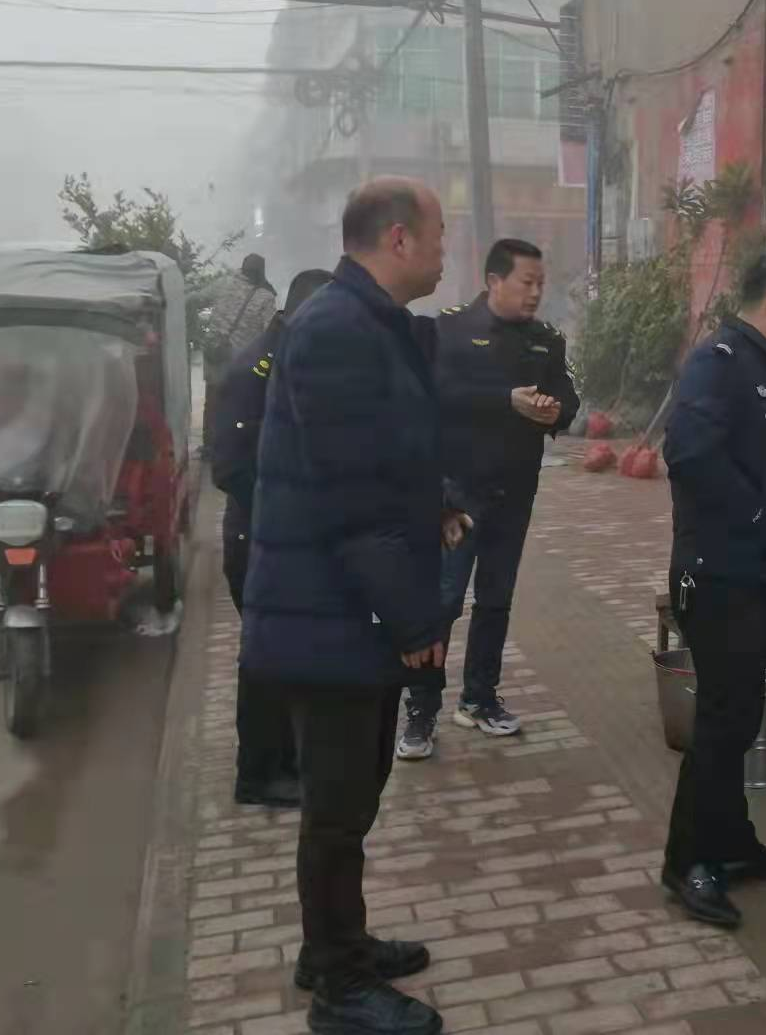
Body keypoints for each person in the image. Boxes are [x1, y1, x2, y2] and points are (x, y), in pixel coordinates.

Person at [240, 180, 466, 1035]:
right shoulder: (336, 329)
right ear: (398, 239)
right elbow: (352, 500)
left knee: (353, 796)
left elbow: (388, 457)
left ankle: (336, 943)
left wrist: (437, 500)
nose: (445, 250)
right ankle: (338, 987)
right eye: (439, 234)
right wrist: (411, 621)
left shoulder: (372, 323)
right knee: (336, 807)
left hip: (346, 608)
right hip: (329, 612)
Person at [662, 246, 766, 928]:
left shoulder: (762, 369)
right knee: (721, 721)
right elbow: (689, 457)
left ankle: (731, 842)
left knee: (736, 720)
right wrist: (760, 516)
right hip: (719, 577)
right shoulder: (718, 363)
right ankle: (687, 862)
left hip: (753, 574)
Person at [396, 238, 579, 759]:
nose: (536, 293)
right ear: (494, 280)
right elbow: (434, 395)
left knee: (496, 600)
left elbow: (568, 397)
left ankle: (479, 698)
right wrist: (506, 400)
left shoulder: (545, 339)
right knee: (443, 601)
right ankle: (421, 710)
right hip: (458, 495)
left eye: (541, 283)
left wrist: (556, 411)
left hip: (514, 492)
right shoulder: (450, 330)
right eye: (527, 282)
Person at [212, 267, 334, 809]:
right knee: (266, 658)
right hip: (258, 539)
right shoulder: (253, 371)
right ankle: (260, 773)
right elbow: (230, 468)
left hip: (291, 539)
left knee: (290, 653)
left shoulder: (299, 360)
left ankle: (288, 759)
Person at [201, 253, 277, 454]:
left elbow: (197, 299)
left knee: (213, 399)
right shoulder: (266, 297)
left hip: (214, 351)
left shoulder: (224, 283)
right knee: (238, 403)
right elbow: (270, 330)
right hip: (241, 360)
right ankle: (231, 447)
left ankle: (209, 446)